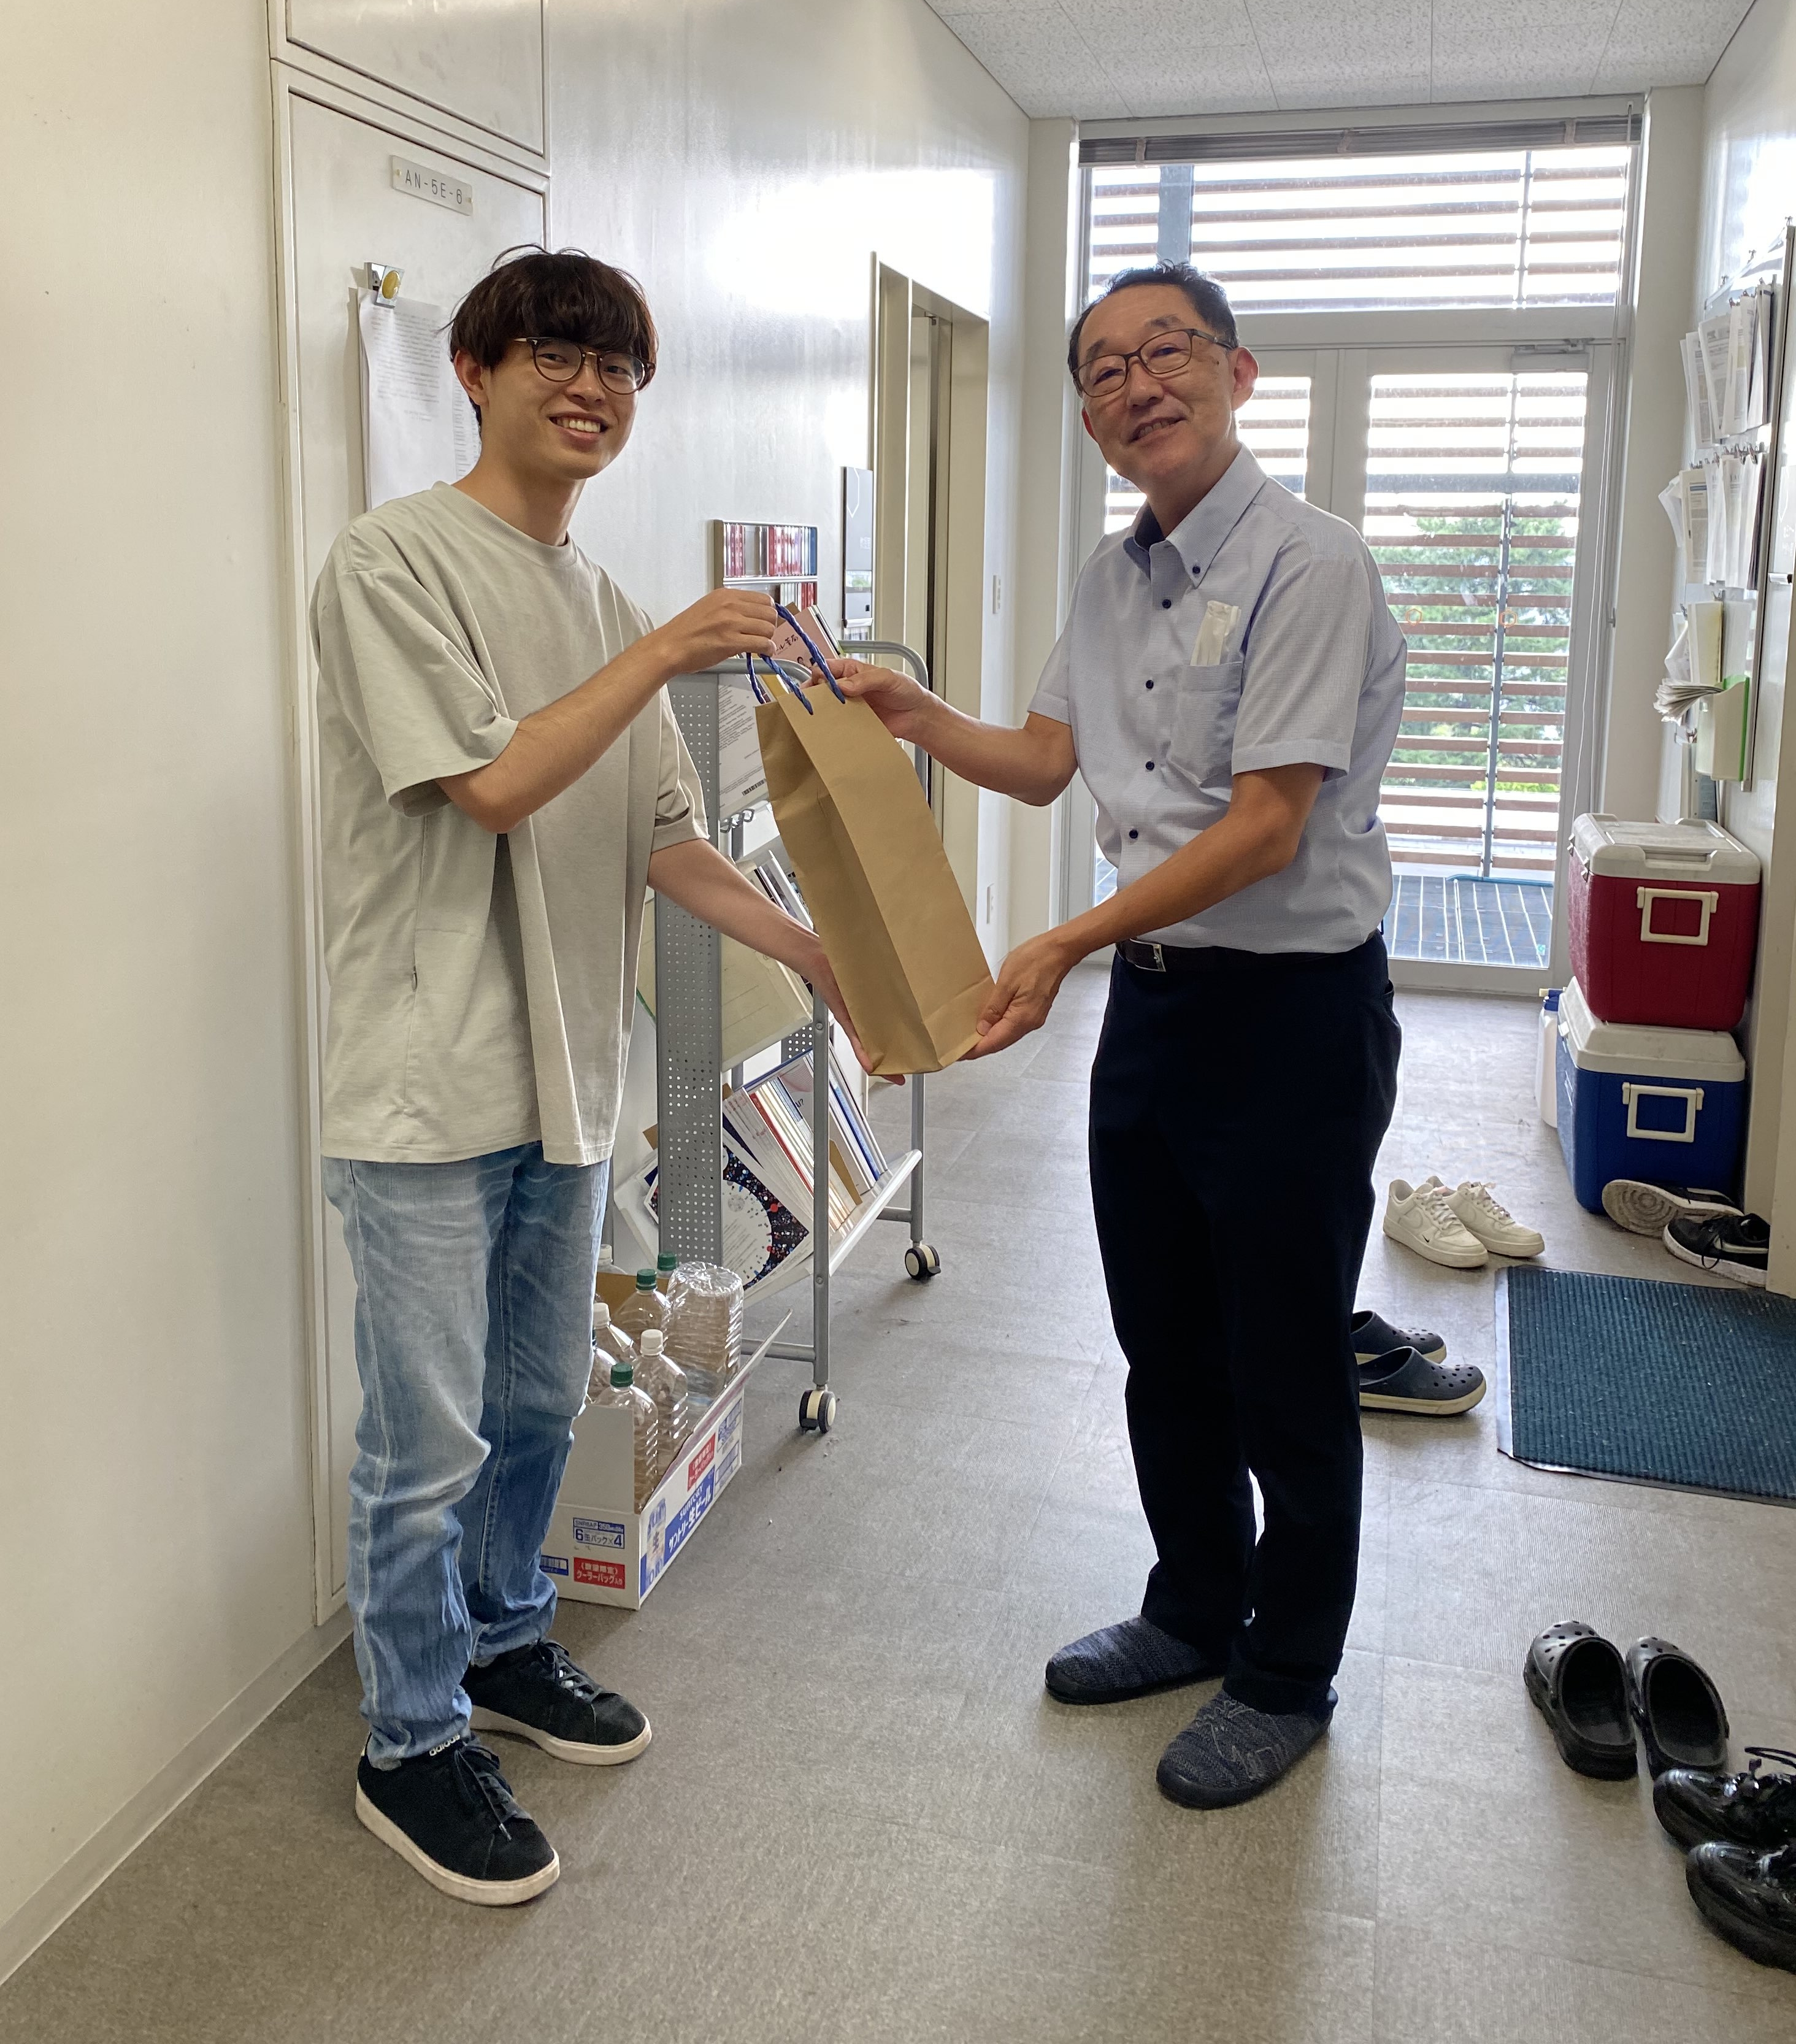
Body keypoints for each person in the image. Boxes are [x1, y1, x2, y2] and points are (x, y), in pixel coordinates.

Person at [311, 246, 854, 1904]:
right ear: (474, 372)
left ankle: (503, 1644)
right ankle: (408, 1743)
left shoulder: (610, 606)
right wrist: (669, 647)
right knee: (426, 1445)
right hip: (426, 1088)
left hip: (569, 1083)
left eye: (619, 366)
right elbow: (492, 782)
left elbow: (666, 842)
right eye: (555, 352)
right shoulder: (390, 562)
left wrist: (823, 951)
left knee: (540, 1406)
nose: (592, 388)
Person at [836, 261, 1406, 1810]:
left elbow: (1269, 824)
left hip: (1291, 1015)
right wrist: (909, 712)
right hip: (1154, 1011)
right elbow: (1040, 762)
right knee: (1166, 1340)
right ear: (1088, 415)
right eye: (1104, 369)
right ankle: (1193, 1606)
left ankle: (1286, 1673)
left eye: (1167, 352)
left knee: (1285, 1359)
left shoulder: (1311, 565)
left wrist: (1063, 940)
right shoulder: (1107, 579)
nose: (1137, 386)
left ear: (1237, 371)